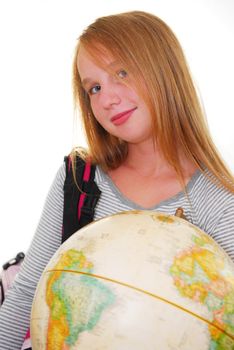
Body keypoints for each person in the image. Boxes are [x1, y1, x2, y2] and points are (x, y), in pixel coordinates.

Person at [0, 10, 233, 349]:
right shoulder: (78, 179)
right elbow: (27, 292)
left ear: (163, 70)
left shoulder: (220, 204)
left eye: (121, 72)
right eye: (94, 88)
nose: (107, 99)